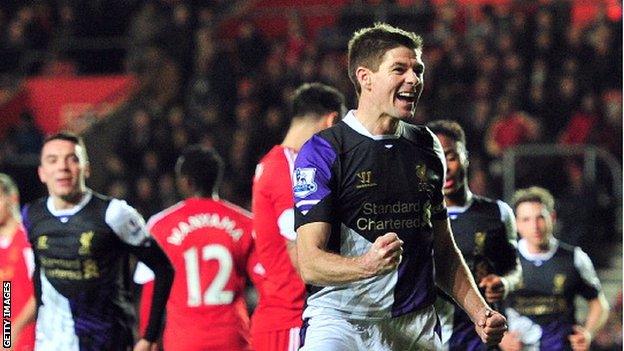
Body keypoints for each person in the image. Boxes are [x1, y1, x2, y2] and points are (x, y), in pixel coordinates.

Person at [293, 23, 507, 351]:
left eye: (417, 70)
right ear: (365, 77)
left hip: (413, 321)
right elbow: (310, 262)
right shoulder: (323, 150)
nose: (414, 79)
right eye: (400, 69)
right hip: (341, 320)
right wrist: (365, 265)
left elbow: (443, 250)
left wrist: (480, 313)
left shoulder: (426, 145)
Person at [22, 132, 174, 351]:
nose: (62, 167)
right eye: (52, 160)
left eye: (72, 159)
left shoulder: (115, 214)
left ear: (86, 168)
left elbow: (163, 268)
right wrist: (11, 333)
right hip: (52, 342)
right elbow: (38, 272)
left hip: (107, 341)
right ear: (42, 173)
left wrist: (150, 336)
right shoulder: (31, 215)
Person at [251, 82, 346, 351]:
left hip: (278, 320)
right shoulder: (292, 168)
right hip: (292, 321)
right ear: (331, 121)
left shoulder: (272, 163)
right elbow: (302, 257)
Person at [135, 145, 256, 351]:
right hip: (233, 339)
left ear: (186, 181)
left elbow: (150, 290)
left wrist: (148, 338)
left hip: (184, 341)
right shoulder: (246, 223)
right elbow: (266, 283)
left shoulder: (160, 226)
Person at [427, 120, 522, 350]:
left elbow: (516, 271)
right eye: (436, 159)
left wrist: (504, 283)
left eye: (450, 156)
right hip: (432, 335)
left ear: (465, 157)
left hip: (482, 335)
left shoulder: (498, 213)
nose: (445, 167)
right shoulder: (418, 216)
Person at [501, 186, 609, 351]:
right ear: (516, 224)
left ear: (552, 217)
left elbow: (598, 304)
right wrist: (501, 337)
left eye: (540, 218)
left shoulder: (575, 258)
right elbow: (483, 305)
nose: (535, 226)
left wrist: (587, 333)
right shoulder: (504, 259)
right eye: (526, 219)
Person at [0, 173, 35, 351]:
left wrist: (10, 332)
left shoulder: (28, 241)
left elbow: (40, 293)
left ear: (12, 198)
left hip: (23, 339)